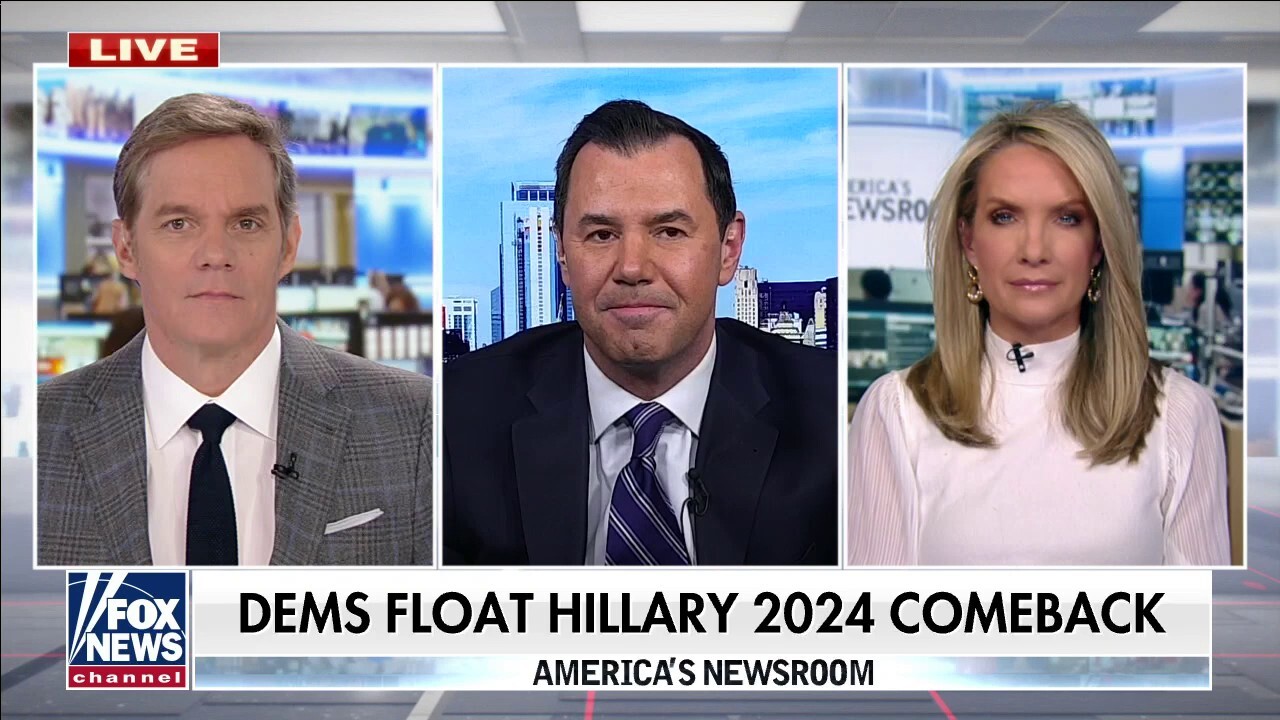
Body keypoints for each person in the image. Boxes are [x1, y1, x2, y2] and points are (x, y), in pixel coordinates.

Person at [38, 93, 432, 566]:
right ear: (126, 249)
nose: (215, 254)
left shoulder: (415, 421)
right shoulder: (42, 431)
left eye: (246, 223)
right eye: (179, 223)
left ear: (288, 245)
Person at [444, 100, 836, 566]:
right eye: (601, 235)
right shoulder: (458, 416)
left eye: (669, 232)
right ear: (562, 253)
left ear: (729, 249)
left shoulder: (832, 412)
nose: (632, 268)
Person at [848, 101, 1229, 566]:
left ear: (1098, 244)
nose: (1033, 250)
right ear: (968, 241)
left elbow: (1195, 611)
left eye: (1067, 218)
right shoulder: (896, 412)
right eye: (1004, 216)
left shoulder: (1180, 415)